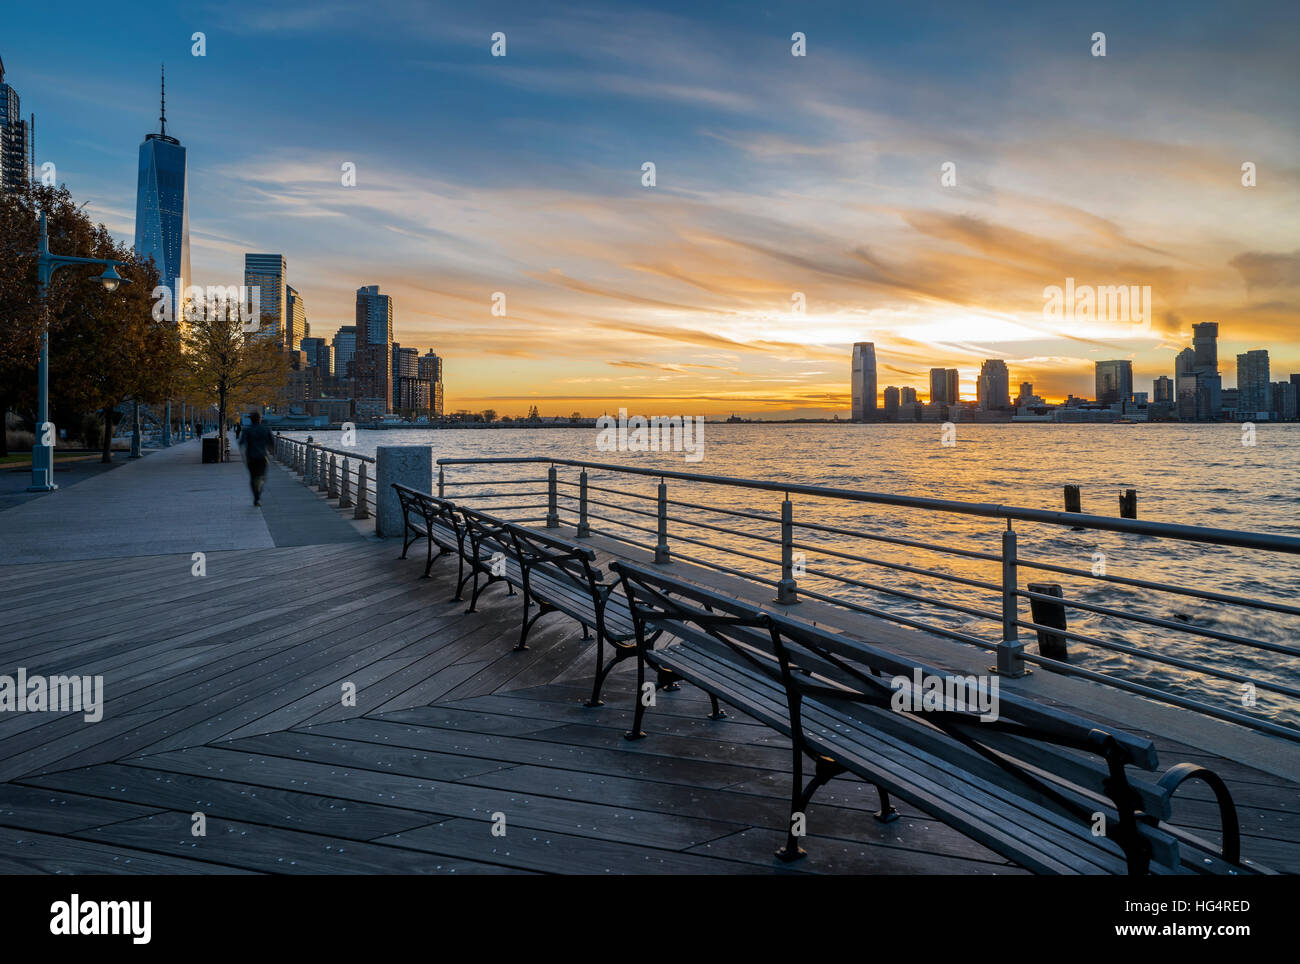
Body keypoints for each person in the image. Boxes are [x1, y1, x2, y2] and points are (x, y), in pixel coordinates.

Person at [238, 412, 273, 507]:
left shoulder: (247, 430)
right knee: (262, 477)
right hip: (263, 457)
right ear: (260, 419)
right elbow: (271, 444)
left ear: (251, 419)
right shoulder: (266, 429)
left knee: (253, 478)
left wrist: (243, 456)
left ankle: (256, 498)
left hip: (251, 457)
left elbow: (241, 443)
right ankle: (258, 495)